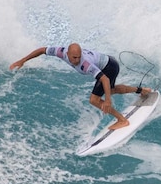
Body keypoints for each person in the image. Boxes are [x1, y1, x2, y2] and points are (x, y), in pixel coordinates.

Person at [10, 43, 151, 130]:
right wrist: (22, 60)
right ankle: (143, 90)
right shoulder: (61, 52)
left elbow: (105, 79)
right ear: (67, 55)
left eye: (78, 57)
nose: (76, 60)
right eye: (74, 58)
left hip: (109, 67)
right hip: (109, 61)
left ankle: (122, 120)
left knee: (95, 100)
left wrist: (107, 100)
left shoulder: (86, 64)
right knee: (112, 90)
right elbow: (42, 50)